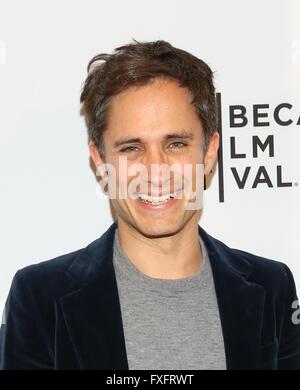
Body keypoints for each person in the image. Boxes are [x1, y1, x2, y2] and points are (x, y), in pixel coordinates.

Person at [1, 40, 299, 370]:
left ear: (210, 151)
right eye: (131, 148)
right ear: (101, 160)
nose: (156, 171)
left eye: (176, 143)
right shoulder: (41, 299)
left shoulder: (273, 287)